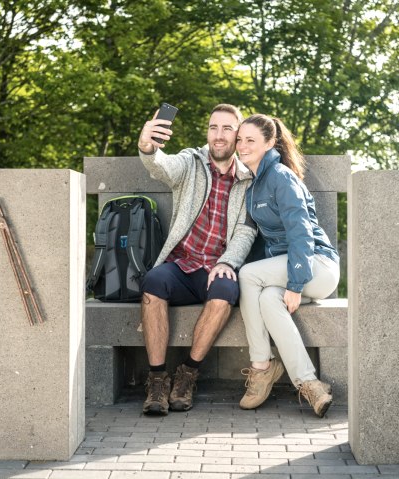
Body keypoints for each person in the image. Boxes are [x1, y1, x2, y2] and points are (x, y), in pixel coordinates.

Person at [137, 104, 256, 415]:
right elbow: (162, 167)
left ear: (238, 134)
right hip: (182, 264)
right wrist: (147, 146)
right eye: (213, 127)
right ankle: (158, 379)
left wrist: (228, 262)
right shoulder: (191, 161)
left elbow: (245, 231)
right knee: (152, 283)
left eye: (227, 128)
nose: (218, 135)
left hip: (215, 268)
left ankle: (187, 375)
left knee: (225, 292)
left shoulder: (247, 179)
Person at [236, 114, 340, 417]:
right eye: (240, 139)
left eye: (250, 140)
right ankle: (310, 385)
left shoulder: (280, 176)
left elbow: (301, 233)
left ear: (270, 143)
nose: (242, 145)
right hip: (291, 269)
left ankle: (261, 366)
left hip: (317, 267)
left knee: (248, 275)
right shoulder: (254, 186)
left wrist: (295, 284)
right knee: (269, 299)